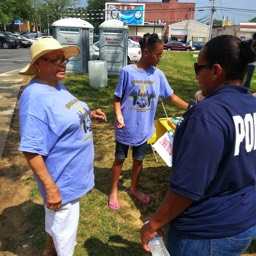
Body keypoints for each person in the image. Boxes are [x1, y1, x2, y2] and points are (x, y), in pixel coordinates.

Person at [140, 35, 256, 256]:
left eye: (198, 67)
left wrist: (153, 224)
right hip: (245, 223)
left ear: (216, 71)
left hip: (206, 232)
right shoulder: (252, 105)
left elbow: (187, 188)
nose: (195, 75)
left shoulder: (207, 115)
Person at [18, 38, 107, 256]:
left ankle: (48, 251)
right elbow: (31, 149)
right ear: (38, 64)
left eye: (64, 58)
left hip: (71, 178)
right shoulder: (35, 98)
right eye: (56, 59)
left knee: (56, 227)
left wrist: (87, 113)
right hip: (62, 183)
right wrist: (51, 188)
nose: (63, 63)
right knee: (65, 240)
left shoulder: (56, 84)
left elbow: (64, 113)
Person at [108, 33, 188, 211]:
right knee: (119, 159)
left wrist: (191, 107)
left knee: (138, 160)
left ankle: (133, 189)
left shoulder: (158, 75)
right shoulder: (127, 71)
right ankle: (113, 191)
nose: (160, 58)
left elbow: (171, 96)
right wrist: (119, 115)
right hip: (125, 127)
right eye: (158, 54)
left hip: (144, 129)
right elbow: (116, 98)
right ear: (146, 52)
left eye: (161, 55)